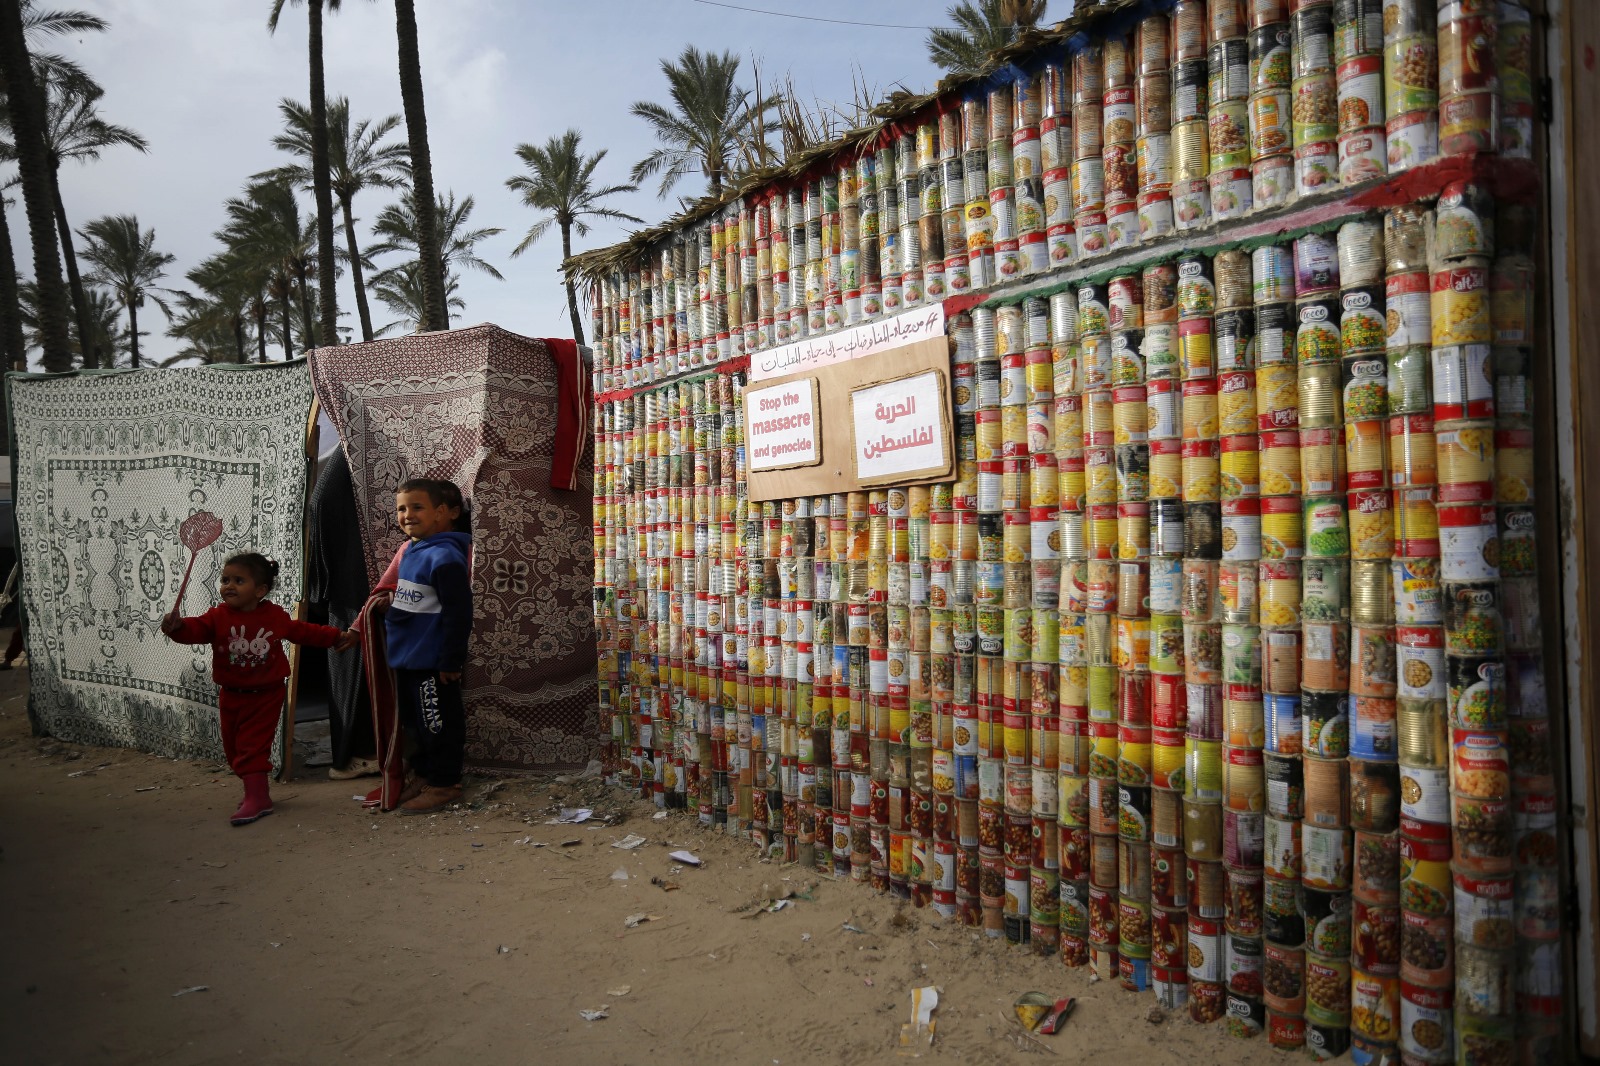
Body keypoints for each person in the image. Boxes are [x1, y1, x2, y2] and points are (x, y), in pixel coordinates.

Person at [162, 552, 358, 825]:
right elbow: (195, 630)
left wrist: (335, 636)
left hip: (266, 695)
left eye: (239, 580)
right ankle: (258, 793)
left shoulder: (273, 616)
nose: (228, 586)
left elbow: (302, 631)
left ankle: (257, 798)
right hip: (231, 694)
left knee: (252, 748)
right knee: (234, 751)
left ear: (260, 590)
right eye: (225, 579)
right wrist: (177, 627)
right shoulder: (217, 616)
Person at [385, 478, 473, 815]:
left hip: (434, 661)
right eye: (402, 509)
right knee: (417, 723)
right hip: (409, 658)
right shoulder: (413, 550)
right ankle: (424, 774)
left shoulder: (445, 556)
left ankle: (445, 783)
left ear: (444, 513)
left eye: (417, 507)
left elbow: (458, 612)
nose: (407, 515)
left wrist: (451, 659)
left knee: (438, 723)